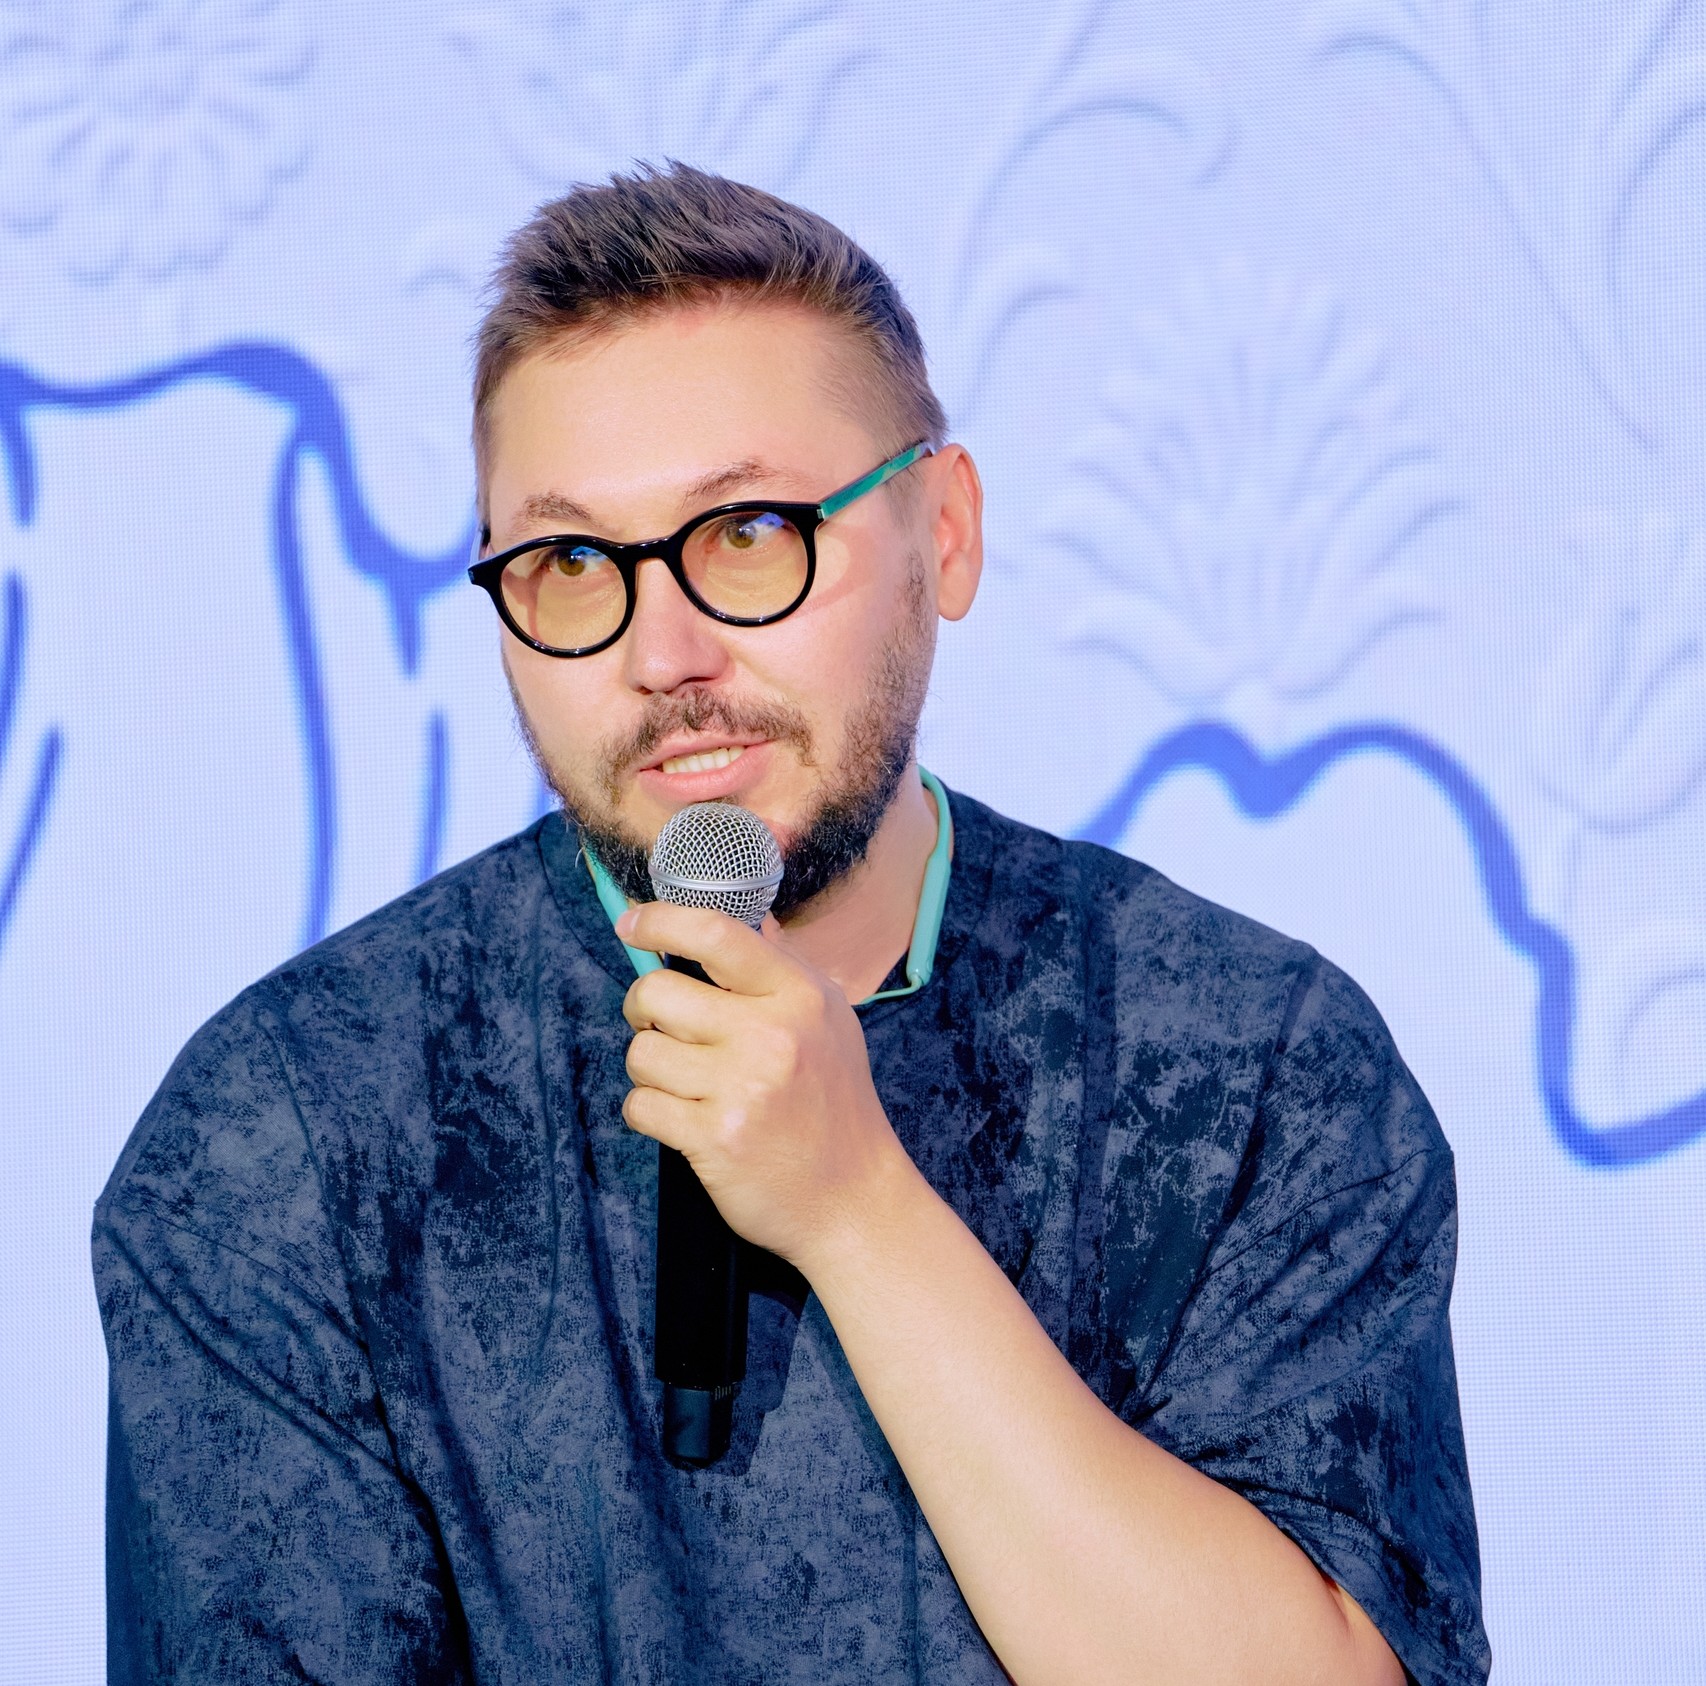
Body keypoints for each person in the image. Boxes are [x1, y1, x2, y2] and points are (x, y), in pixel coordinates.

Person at [95, 163, 1488, 1685]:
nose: (665, 654)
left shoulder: (1246, 1061)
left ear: (944, 534)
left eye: (749, 532)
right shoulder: (290, 1131)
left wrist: (859, 1208)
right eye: (571, 565)